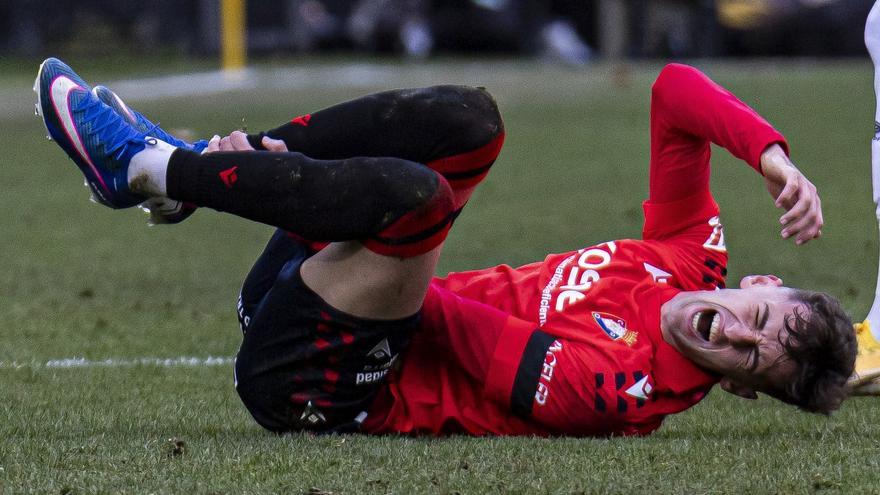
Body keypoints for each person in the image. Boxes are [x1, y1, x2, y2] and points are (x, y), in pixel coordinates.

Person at [36, 57, 856, 437]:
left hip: (316, 381)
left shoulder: (621, 390)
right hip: (326, 293)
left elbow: (433, 312)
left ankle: (146, 167)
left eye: (752, 359)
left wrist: (337, 208)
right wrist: (772, 157)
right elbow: (675, 90)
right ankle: (216, 162)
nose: (735, 333)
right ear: (760, 280)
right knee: (470, 122)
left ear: (738, 387)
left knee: (418, 202)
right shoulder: (688, 257)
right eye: (758, 317)